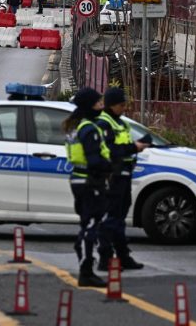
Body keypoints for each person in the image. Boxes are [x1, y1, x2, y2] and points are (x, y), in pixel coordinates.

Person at [63, 87, 112, 287]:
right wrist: (111, 166)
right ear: (89, 106)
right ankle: (86, 269)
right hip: (90, 181)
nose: (102, 106)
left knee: (89, 223)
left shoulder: (76, 126)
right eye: (99, 103)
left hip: (79, 179)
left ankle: (87, 263)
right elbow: (94, 160)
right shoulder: (88, 129)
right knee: (91, 224)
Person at [96, 87, 149, 271]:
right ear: (112, 105)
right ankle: (105, 258)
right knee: (112, 217)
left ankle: (123, 256)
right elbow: (110, 150)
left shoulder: (118, 122)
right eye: (121, 104)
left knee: (119, 217)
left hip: (123, 173)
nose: (124, 107)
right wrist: (134, 147)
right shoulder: (105, 124)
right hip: (113, 175)